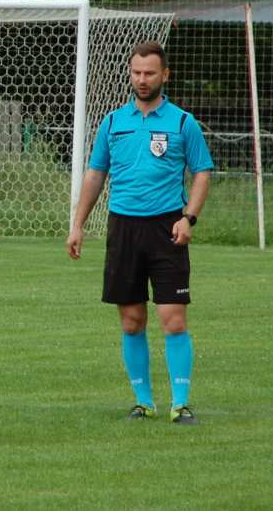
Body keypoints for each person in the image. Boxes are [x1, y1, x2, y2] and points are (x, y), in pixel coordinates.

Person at [66, 41, 213, 425]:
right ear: (130, 74)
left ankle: (180, 404)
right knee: (131, 320)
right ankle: (143, 402)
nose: (142, 79)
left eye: (150, 73)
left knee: (173, 319)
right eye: (136, 72)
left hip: (167, 227)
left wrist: (189, 218)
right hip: (123, 228)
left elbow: (201, 172)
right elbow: (96, 174)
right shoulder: (114, 122)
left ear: (165, 75)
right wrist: (78, 224)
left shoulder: (183, 122)